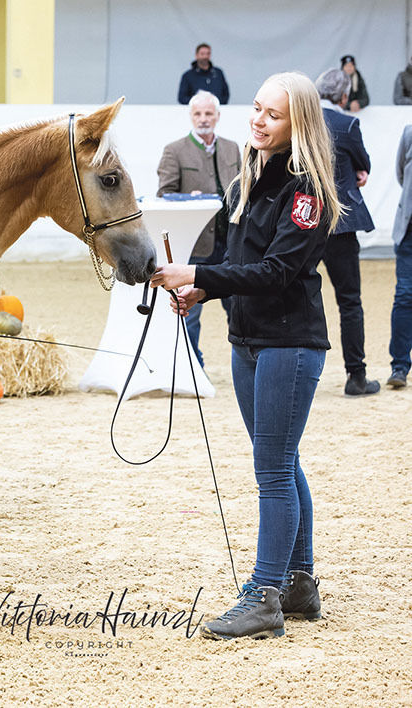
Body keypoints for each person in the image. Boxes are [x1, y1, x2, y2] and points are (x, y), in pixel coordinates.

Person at [152, 72, 343, 640]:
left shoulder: (305, 188)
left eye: (272, 114)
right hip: (248, 341)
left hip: (290, 342)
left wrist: (198, 273)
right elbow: (240, 258)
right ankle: (299, 584)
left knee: (273, 470)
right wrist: (204, 290)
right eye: (256, 109)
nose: (258, 120)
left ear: (298, 123)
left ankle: (264, 594)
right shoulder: (248, 175)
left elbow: (278, 271)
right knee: (280, 460)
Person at [156, 90, 241, 367]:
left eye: (208, 113)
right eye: (197, 114)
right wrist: (186, 199)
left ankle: (245, 361)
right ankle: (192, 366)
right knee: (189, 310)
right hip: (195, 245)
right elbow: (164, 195)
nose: (203, 119)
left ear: (217, 116)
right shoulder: (174, 150)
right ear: (190, 116)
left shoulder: (232, 148)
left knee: (239, 306)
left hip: (230, 243)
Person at [315, 69, 379, 396]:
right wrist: (357, 172)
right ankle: (356, 375)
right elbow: (362, 162)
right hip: (340, 225)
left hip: (304, 223)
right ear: (343, 97)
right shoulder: (348, 124)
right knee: (349, 302)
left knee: (291, 294)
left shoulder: (303, 123)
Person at [387, 124, 412, 389]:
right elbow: (402, 176)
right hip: (409, 232)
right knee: (405, 296)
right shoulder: (409, 133)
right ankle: (400, 366)